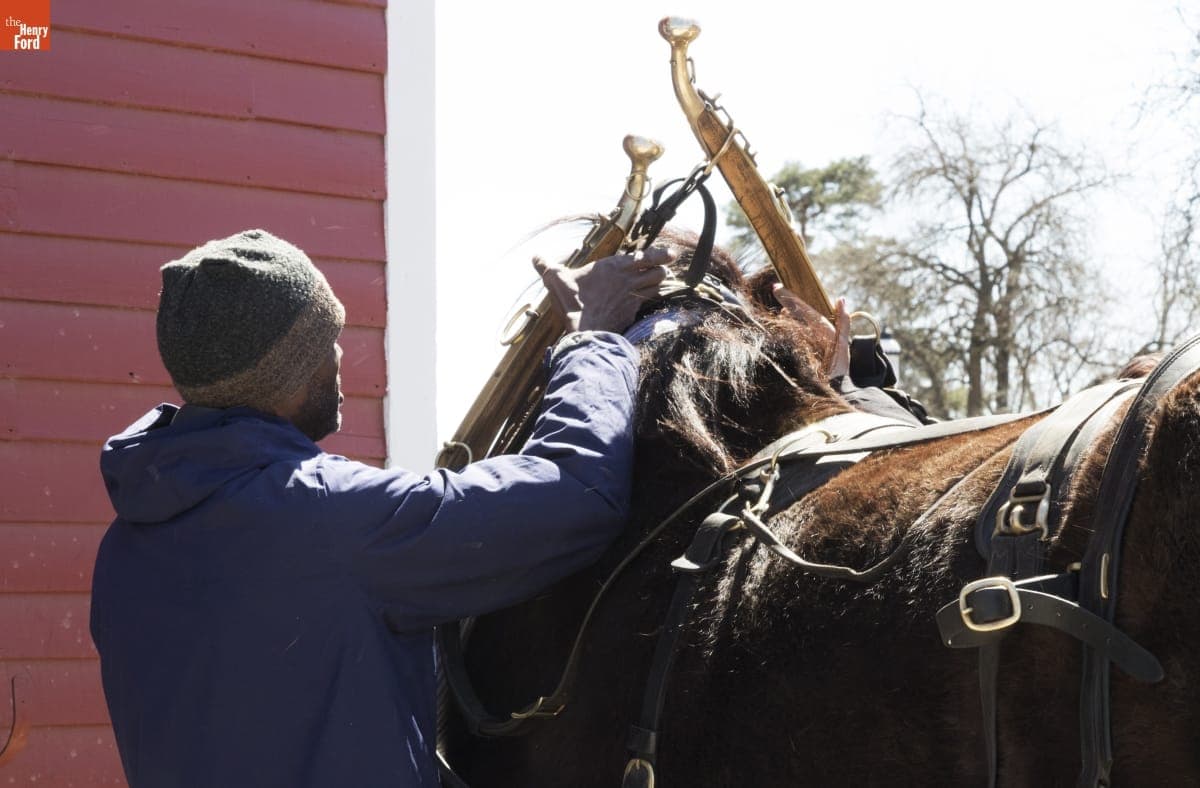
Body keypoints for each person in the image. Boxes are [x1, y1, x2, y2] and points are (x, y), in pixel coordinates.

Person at [89, 229, 672, 787]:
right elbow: (575, 492)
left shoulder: (125, 546)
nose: (342, 355)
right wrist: (591, 336)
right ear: (289, 368)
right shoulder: (327, 521)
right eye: (326, 339)